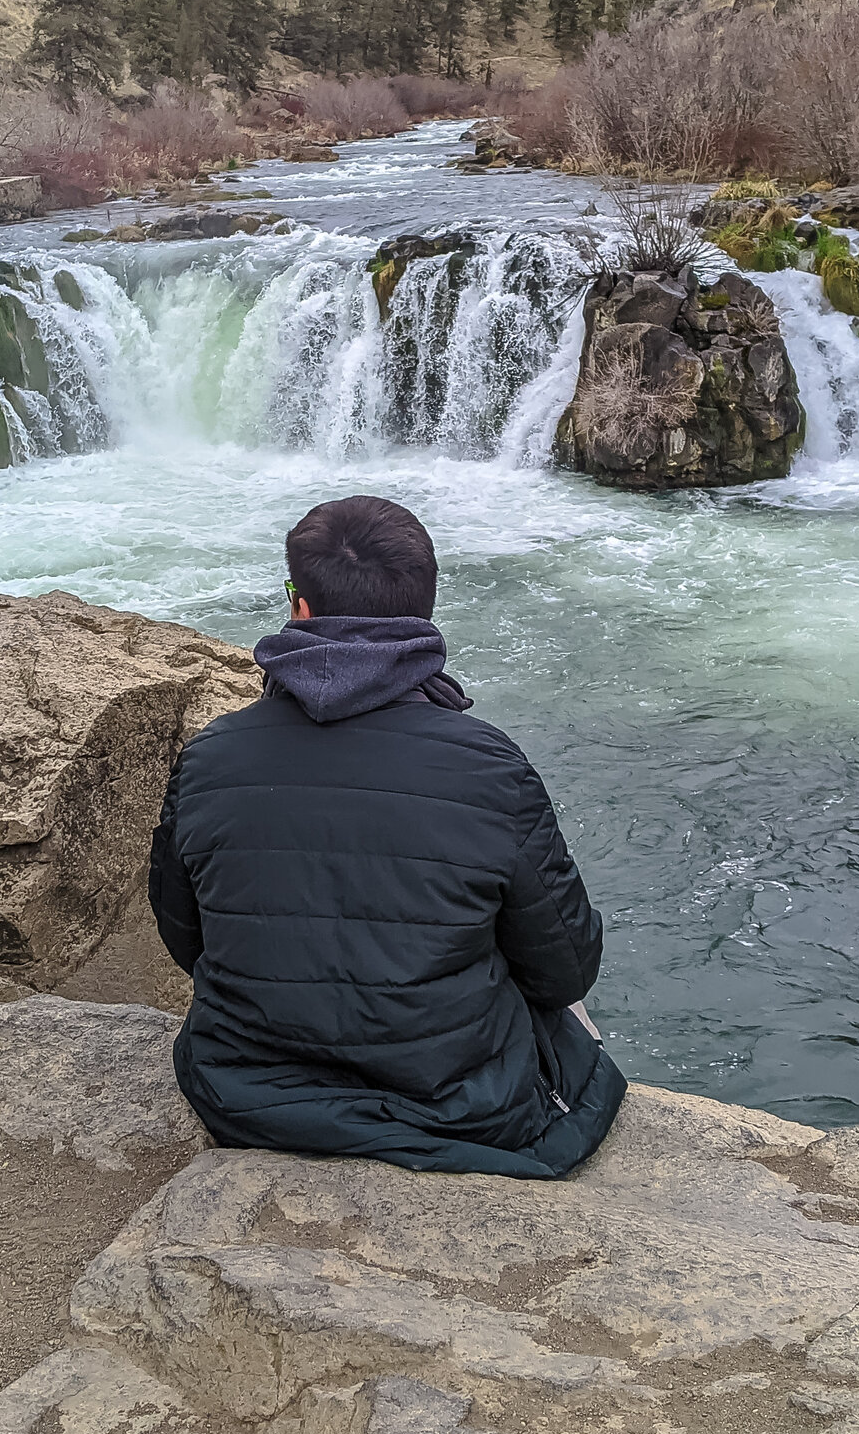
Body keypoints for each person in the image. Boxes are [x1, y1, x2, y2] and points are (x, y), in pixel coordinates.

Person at [147, 495, 625, 1177]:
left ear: (300, 608)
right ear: (421, 615)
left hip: (248, 1092)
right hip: (463, 1105)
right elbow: (566, 968)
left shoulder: (210, 757)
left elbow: (183, 936)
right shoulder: (491, 766)